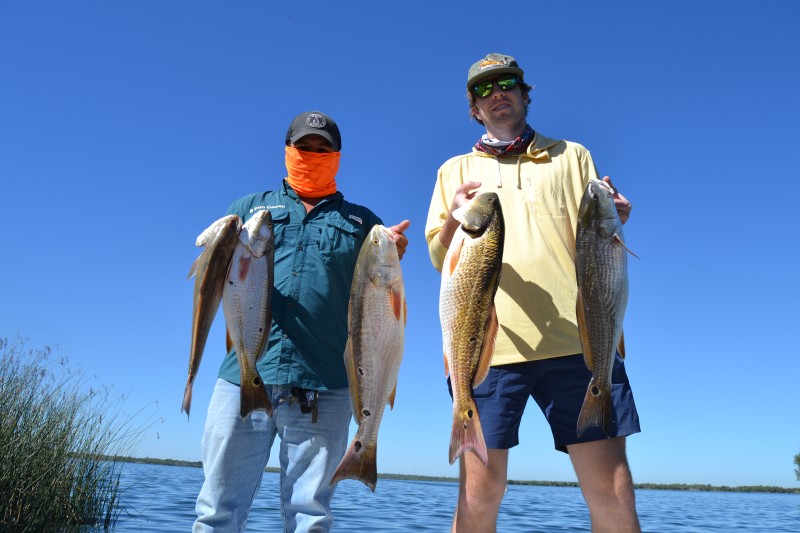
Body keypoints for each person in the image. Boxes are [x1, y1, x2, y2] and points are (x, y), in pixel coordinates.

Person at [424, 53, 641, 533]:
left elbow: (594, 231)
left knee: (611, 490)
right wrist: (454, 222)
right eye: (484, 90)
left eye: (507, 84)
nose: (496, 94)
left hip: (580, 343)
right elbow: (441, 258)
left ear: (525, 94)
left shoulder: (573, 155)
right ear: (474, 109)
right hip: (486, 348)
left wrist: (615, 221)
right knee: (480, 496)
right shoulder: (452, 171)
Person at [194, 110, 410, 532]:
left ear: (338, 157)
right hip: (243, 377)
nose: (312, 155)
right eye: (304, 147)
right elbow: (217, 276)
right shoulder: (249, 209)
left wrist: (393, 250)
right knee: (216, 508)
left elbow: (377, 300)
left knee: (310, 516)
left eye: (322, 149)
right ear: (287, 151)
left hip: (324, 384)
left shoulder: (364, 223)